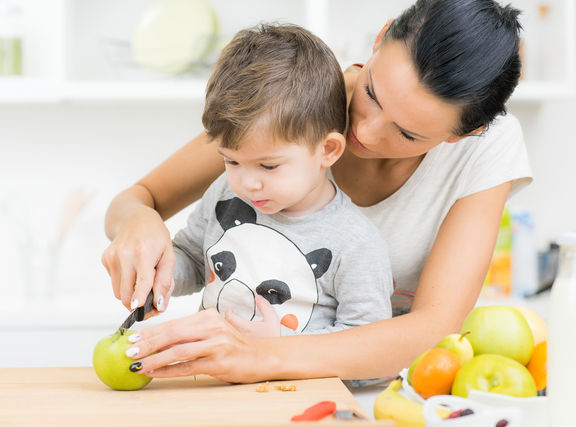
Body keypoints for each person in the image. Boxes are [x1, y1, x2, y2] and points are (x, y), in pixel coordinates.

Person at [102, 0, 532, 383]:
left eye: (406, 132)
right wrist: (140, 221)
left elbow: (435, 325)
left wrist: (263, 356)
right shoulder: (297, 101)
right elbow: (140, 198)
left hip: (362, 388)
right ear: (380, 39)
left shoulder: (486, 148)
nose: (362, 129)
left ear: (466, 133)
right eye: (372, 94)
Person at [158, 23, 393, 340]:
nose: (247, 183)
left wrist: (279, 348)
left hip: (297, 390)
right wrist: (161, 278)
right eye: (232, 160)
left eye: (268, 166)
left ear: (327, 150)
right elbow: (193, 257)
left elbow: (370, 347)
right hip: (216, 384)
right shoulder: (225, 195)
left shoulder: (355, 243)